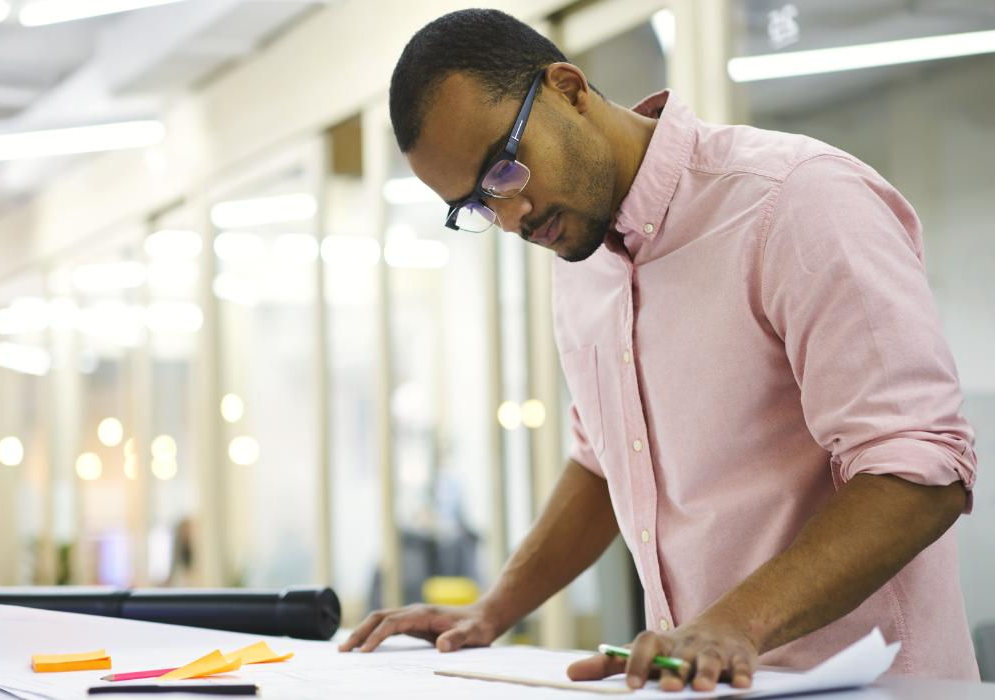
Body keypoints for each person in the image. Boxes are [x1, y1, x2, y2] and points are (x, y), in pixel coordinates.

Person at [339, 8, 979, 691]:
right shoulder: (580, 258)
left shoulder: (795, 201)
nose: (510, 217)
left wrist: (738, 623)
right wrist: (496, 609)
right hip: (698, 681)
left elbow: (920, 470)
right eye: (476, 206)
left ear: (568, 89)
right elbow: (602, 463)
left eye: (503, 169)